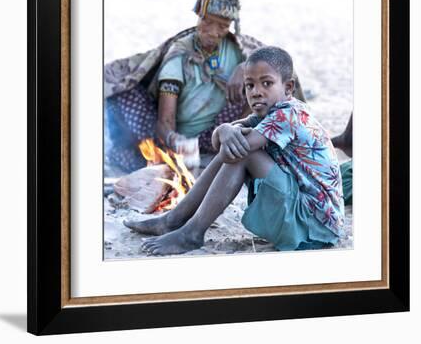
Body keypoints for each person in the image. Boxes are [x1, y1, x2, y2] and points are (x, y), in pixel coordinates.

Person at [124, 46, 345, 255]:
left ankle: (192, 231)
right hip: (303, 212)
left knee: (241, 152)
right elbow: (219, 143)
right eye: (250, 85)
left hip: (314, 226)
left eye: (266, 83)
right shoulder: (265, 114)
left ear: (288, 88)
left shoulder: (288, 114)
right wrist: (224, 129)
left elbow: (238, 147)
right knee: (235, 148)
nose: (256, 92)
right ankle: (173, 220)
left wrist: (226, 132)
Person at [104, 0, 305, 175]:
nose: (212, 32)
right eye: (207, 21)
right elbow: (165, 121)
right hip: (177, 140)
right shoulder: (180, 54)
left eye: (222, 26)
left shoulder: (239, 50)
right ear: (198, 16)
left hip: (219, 135)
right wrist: (179, 143)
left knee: (264, 85)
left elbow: (277, 69)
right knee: (126, 100)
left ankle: (233, 149)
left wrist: (245, 69)